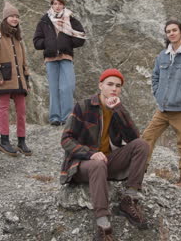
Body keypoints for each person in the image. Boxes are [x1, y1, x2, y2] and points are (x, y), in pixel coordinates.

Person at [60, 69, 149, 240]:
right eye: (110, 84)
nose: (114, 89)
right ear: (100, 85)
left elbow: (133, 139)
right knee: (98, 163)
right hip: (81, 165)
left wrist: (119, 110)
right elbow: (66, 140)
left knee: (142, 145)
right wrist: (90, 154)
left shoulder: (117, 109)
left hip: (107, 162)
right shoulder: (84, 106)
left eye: (118, 86)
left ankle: (129, 199)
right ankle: (103, 225)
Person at [142, 20, 181, 190]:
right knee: (146, 138)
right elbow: (155, 76)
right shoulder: (163, 55)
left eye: (174, 30)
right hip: (162, 109)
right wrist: (158, 92)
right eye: (168, 31)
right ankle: (139, 172)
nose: (171, 33)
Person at [0, 2, 32, 157]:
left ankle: (21, 140)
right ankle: (4, 140)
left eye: (17, 16)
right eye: (12, 16)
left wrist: (27, 80)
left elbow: (24, 61)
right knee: (3, 108)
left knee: (22, 110)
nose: (14, 19)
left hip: (19, 80)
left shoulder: (18, 37)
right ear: (5, 18)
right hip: (4, 78)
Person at [33, 0, 86, 126]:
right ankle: (55, 117)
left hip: (66, 56)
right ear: (51, 4)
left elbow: (81, 37)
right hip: (50, 58)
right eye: (55, 4)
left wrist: (67, 44)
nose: (57, 6)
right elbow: (36, 41)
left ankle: (67, 117)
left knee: (67, 86)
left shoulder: (70, 18)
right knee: (54, 88)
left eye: (60, 4)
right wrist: (47, 44)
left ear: (63, 5)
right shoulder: (45, 20)